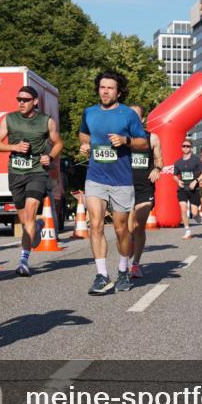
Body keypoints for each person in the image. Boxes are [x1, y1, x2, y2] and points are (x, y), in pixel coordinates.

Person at [78, 71, 149, 295]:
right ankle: (101, 275)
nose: (105, 91)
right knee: (96, 224)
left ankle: (123, 270)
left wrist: (125, 140)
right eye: (102, 87)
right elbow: (83, 134)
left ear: (118, 91)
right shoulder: (89, 112)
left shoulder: (128, 115)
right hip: (96, 177)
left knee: (121, 230)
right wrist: (85, 144)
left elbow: (143, 143)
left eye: (110, 88)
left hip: (121, 179)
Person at [0, 85, 63, 277]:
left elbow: (58, 143)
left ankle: (23, 260)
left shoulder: (46, 121)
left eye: (25, 100)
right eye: (19, 100)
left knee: (30, 215)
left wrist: (50, 157)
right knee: (26, 224)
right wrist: (14, 147)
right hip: (15, 173)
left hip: (37, 172)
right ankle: (38, 227)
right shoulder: (10, 119)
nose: (21, 103)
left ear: (35, 102)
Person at [128, 105, 164, 276]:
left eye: (137, 116)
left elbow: (160, 160)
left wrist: (157, 168)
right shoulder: (121, 138)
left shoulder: (152, 138)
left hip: (144, 187)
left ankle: (135, 264)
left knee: (139, 226)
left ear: (142, 119)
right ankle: (129, 249)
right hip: (124, 187)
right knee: (126, 230)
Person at [172, 137, 202, 241]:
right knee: (183, 208)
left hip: (194, 189)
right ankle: (187, 230)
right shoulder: (178, 162)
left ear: (191, 148)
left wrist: (195, 181)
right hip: (182, 188)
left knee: (194, 213)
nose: (186, 148)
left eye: (188, 146)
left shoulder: (196, 160)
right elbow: (174, 175)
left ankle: (198, 216)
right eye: (184, 146)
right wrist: (178, 181)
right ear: (182, 148)